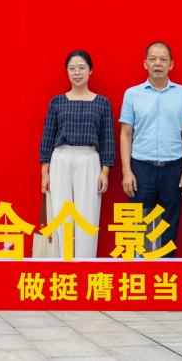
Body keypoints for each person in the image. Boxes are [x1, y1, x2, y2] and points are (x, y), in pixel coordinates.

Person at [119, 41, 182, 256]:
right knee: (138, 228)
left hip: (173, 168)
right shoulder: (132, 94)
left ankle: (165, 272)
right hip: (141, 168)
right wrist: (127, 171)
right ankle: (138, 273)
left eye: (163, 59)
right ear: (145, 64)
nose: (158, 63)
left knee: (168, 227)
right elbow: (126, 134)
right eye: (153, 59)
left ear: (171, 64)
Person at [38, 49, 115, 258]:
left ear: (91, 71)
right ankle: (62, 263)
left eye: (81, 68)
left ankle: (85, 264)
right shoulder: (57, 102)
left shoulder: (102, 103)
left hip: (89, 159)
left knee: (88, 215)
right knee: (61, 214)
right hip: (61, 158)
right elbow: (48, 136)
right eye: (72, 68)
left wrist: (105, 171)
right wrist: (45, 172)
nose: (77, 72)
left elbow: (107, 138)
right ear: (67, 72)